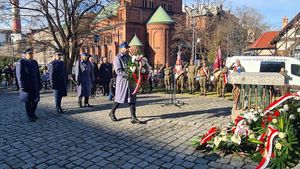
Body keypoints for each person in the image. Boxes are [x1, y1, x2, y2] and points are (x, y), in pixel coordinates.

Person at [109, 42, 145, 124]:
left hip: (131, 81)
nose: (128, 49)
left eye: (128, 48)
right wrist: (129, 73)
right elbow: (118, 71)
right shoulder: (118, 58)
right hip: (123, 81)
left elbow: (134, 65)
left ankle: (133, 117)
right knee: (119, 98)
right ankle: (112, 112)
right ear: (121, 48)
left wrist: (137, 69)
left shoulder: (129, 57)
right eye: (126, 48)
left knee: (132, 98)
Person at [16, 48, 41, 122]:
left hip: (34, 85)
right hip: (26, 85)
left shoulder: (34, 62)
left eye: (32, 54)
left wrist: (40, 83)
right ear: (25, 55)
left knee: (35, 100)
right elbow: (19, 75)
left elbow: (37, 74)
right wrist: (21, 86)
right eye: (29, 54)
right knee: (28, 101)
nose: (31, 55)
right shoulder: (21, 62)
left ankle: (32, 113)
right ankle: (30, 115)